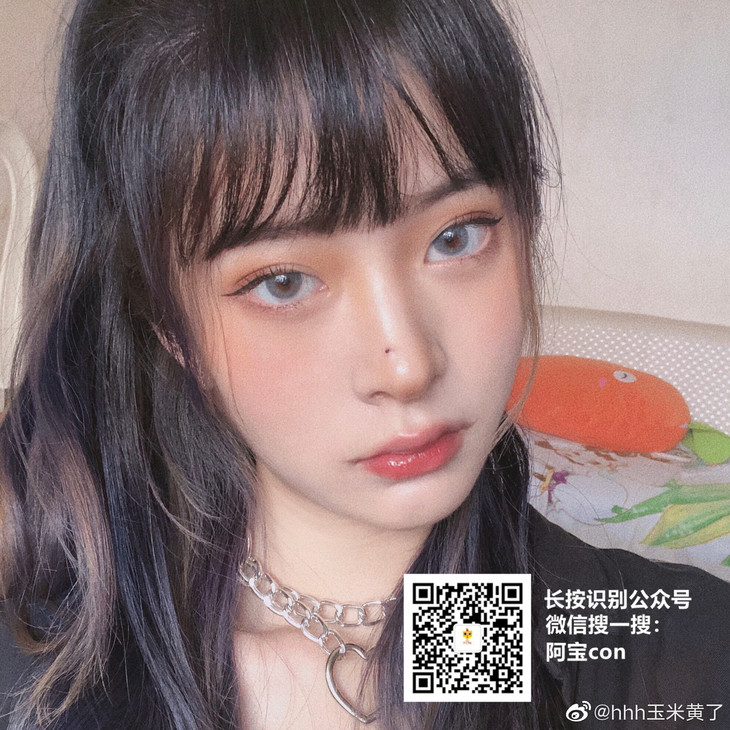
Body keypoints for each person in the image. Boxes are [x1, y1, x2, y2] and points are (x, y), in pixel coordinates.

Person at [1, 1, 729, 729]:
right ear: (167, 323)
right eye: (283, 282)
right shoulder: (44, 667)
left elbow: (465, 657)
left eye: (455, 237)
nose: (407, 367)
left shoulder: (658, 658)